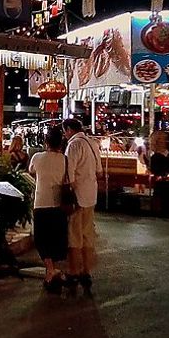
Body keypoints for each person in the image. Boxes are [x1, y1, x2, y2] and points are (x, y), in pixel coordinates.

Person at [63, 118, 100, 296]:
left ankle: (73, 272)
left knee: (74, 237)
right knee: (87, 236)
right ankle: (87, 272)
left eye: (65, 131)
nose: (64, 134)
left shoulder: (74, 145)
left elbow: (69, 174)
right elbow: (99, 171)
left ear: (69, 129)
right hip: (91, 196)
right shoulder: (93, 143)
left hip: (77, 197)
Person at [30, 126, 69, 293]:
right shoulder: (65, 159)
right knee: (56, 237)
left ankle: (50, 269)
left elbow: (31, 171)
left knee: (41, 239)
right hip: (59, 204)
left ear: (46, 141)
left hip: (41, 202)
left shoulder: (37, 157)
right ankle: (53, 271)